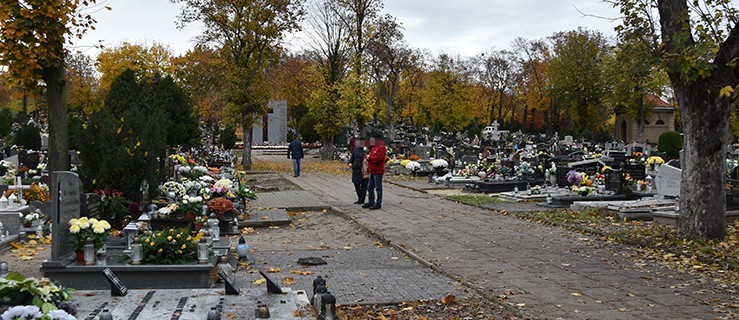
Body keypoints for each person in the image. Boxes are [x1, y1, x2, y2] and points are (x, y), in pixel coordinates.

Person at [363, 138, 387, 210]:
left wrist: (370, 158)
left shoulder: (382, 147)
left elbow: (379, 158)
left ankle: (378, 203)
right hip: (372, 170)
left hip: (378, 170)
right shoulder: (374, 147)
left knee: (378, 187)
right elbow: (368, 147)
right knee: (370, 187)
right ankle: (371, 201)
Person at [347, 140, 367, 204]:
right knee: (356, 184)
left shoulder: (365, 151)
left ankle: (362, 199)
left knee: (364, 185)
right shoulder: (356, 150)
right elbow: (352, 158)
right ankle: (360, 197)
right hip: (355, 170)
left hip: (363, 170)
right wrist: (350, 163)